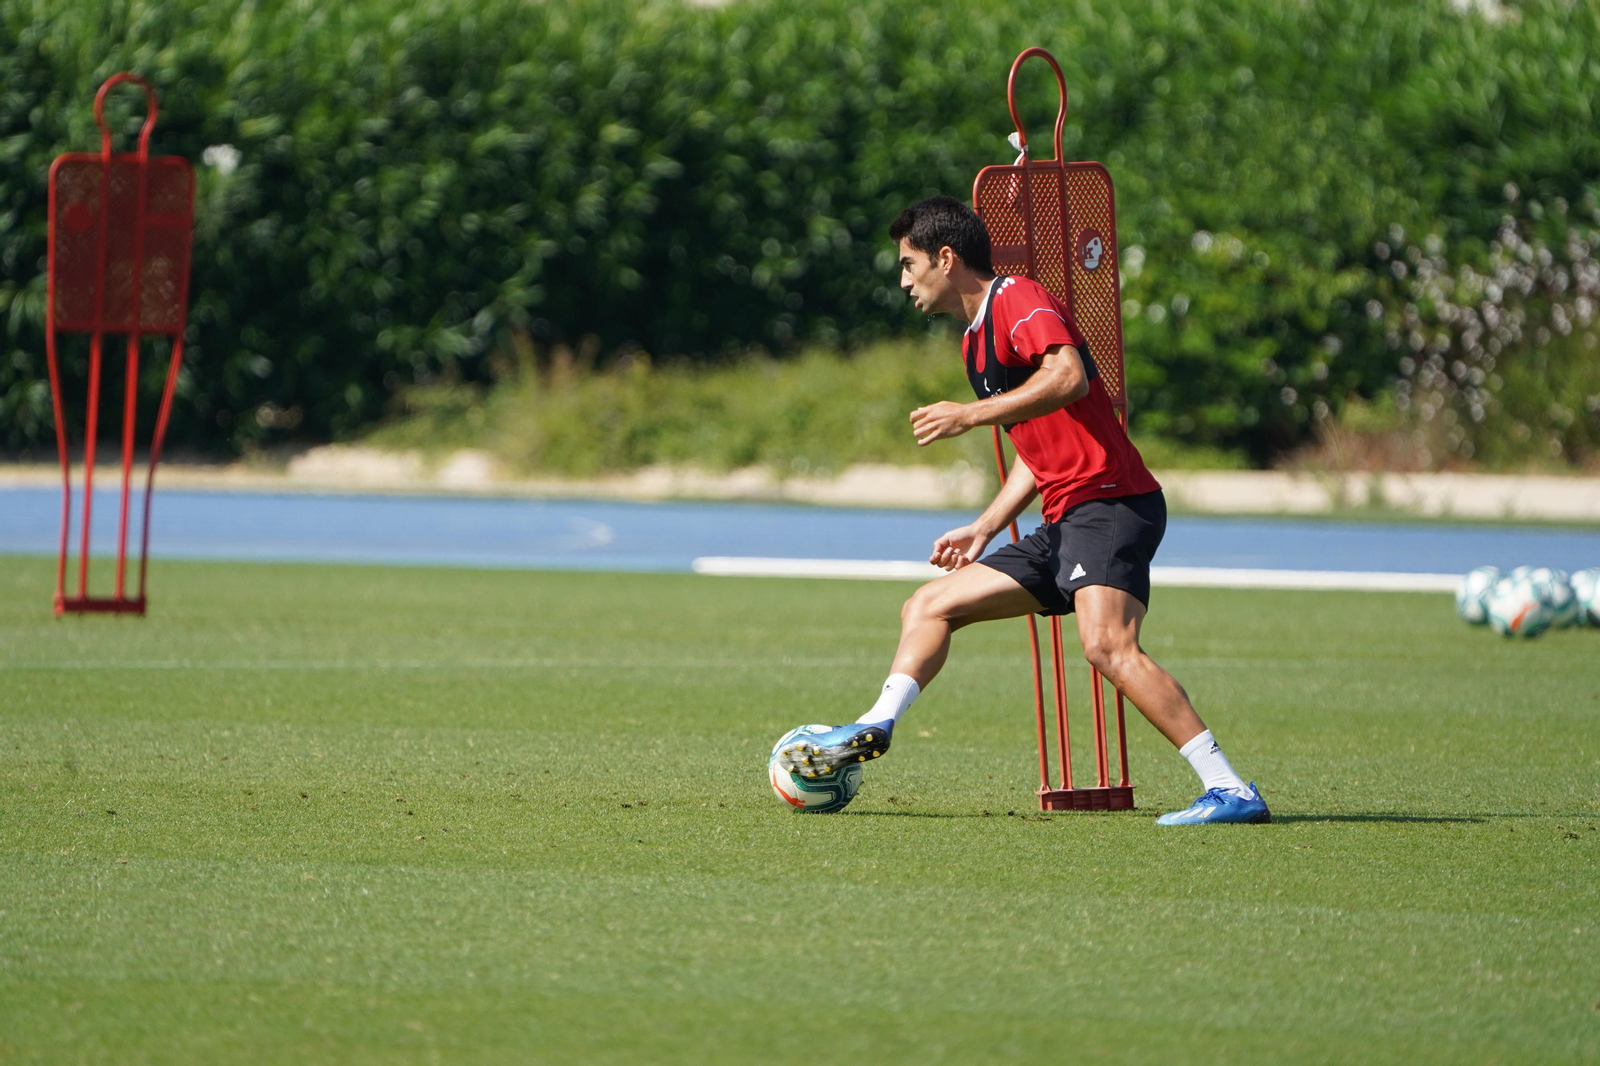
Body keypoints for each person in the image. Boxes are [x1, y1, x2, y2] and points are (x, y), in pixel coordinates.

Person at [775, 196, 1269, 825]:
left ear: (945, 258)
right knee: (929, 604)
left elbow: (1069, 377)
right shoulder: (972, 342)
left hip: (1111, 500)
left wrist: (970, 413)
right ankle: (874, 726)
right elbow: (1039, 452)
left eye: (908, 264)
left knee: (1107, 646)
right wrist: (984, 525)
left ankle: (1230, 788)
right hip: (1065, 519)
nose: (903, 281)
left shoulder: (1017, 298)